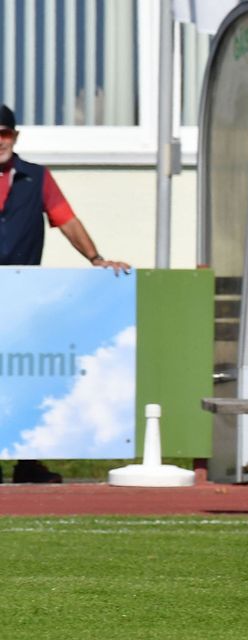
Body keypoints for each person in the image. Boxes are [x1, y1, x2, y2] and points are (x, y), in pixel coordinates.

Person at [0, 103, 130, 484]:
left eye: (4, 133)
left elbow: (65, 219)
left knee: (25, 378)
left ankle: (28, 462)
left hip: (24, 294)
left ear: (16, 137)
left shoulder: (36, 177)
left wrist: (97, 258)